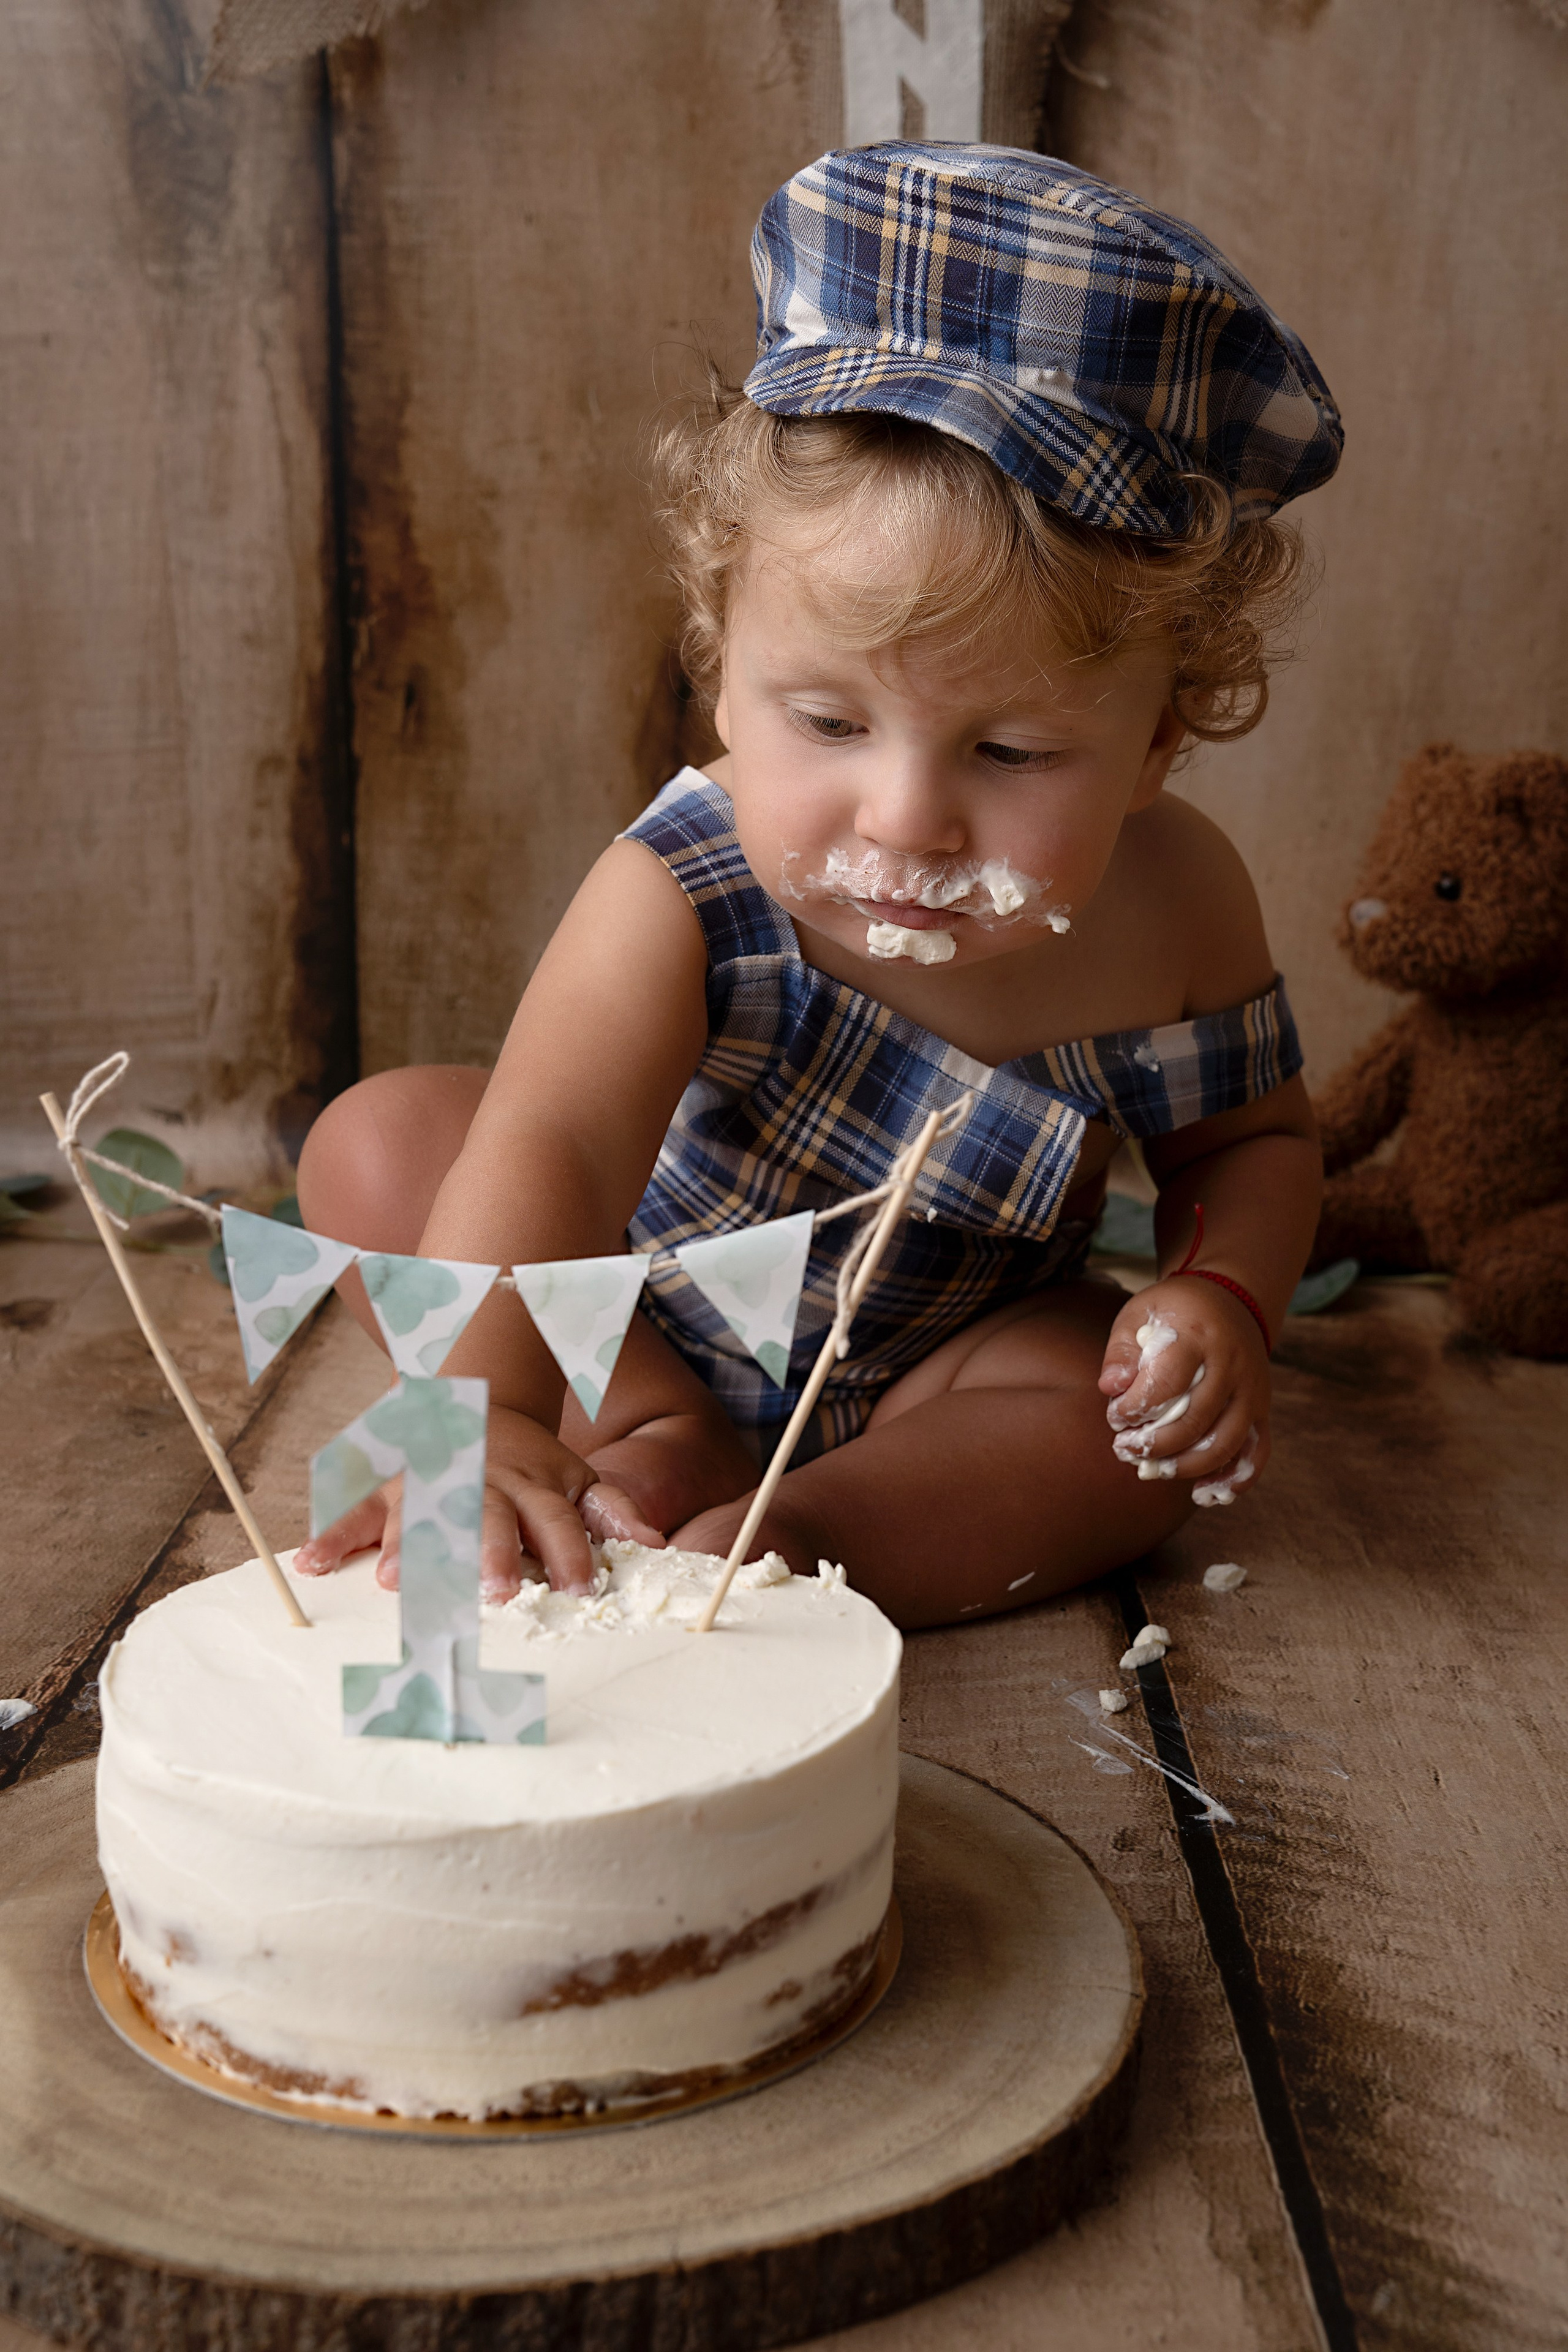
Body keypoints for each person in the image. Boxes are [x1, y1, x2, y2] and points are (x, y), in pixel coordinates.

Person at [295, 143, 1340, 1629]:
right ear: (722, 672)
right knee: (385, 1143)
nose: (906, 816)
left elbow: (1251, 1148)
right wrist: (469, 1411)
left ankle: (801, 1536)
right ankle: (650, 1436)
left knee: (1119, 1427)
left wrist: (1218, 1297)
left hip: (950, 1362)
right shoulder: (687, 879)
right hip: (633, 1305)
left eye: (1013, 749)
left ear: (1157, 740)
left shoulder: (1173, 909)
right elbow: (557, 1153)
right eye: (829, 723)